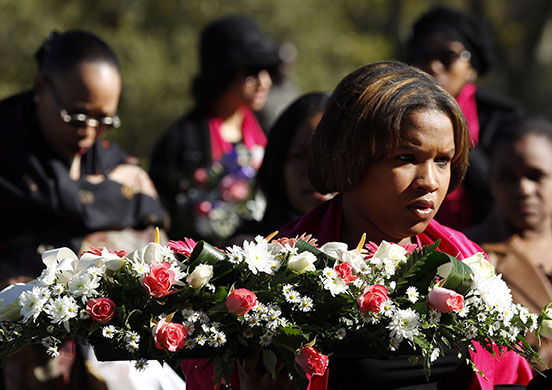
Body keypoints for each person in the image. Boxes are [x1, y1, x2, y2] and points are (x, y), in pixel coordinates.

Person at [183, 61, 533, 390]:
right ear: (350, 158)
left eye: (443, 160)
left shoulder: (463, 258)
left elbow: (508, 374)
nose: (429, 180)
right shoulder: (278, 270)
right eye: (405, 158)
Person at [0, 30, 173, 390]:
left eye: (104, 121)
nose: (90, 133)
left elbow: (149, 210)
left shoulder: (108, 158)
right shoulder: (7, 147)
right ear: (41, 86)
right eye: (76, 117)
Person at [466, 114, 552, 380]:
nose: (523, 189)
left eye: (536, 176)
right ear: (491, 180)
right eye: (508, 178)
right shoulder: (468, 257)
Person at [150, 15, 282, 245]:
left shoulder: (267, 132)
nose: (264, 82)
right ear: (223, 75)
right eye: (251, 72)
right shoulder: (179, 142)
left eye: (267, 71)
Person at [406, 6, 522, 230]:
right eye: (423, 55)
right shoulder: (389, 116)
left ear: (472, 68)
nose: (433, 65)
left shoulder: (503, 120)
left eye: (447, 56)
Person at [228, 92, 333, 245]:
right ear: (278, 163)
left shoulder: (373, 251)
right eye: (300, 156)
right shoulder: (249, 248)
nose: (316, 170)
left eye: (329, 155)